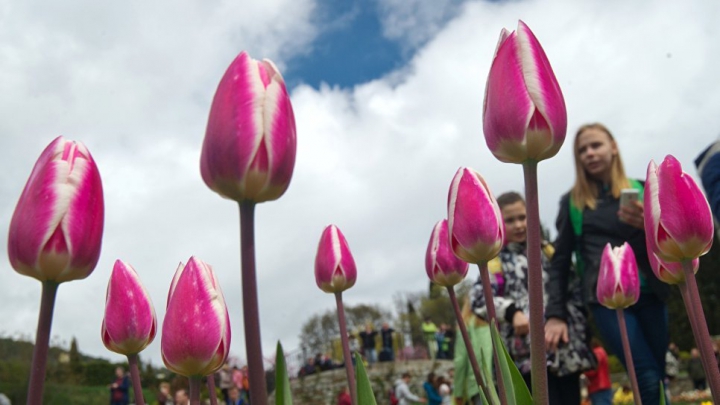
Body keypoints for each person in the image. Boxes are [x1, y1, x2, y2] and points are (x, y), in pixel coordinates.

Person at [546, 123, 671, 405]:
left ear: (613, 147)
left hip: (652, 292)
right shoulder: (573, 203)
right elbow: (561, 261)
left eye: (596, 145)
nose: (589, 153)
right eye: (582, 150)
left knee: (660, 374)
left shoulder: (642, 189)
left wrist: (648, 229)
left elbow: (666, 248)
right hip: (606, 300)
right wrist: (556, 313)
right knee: (646, 376)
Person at [472, 191, 596, 404]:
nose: (519, 225)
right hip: (525, 354)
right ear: (499, 222)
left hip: (564, 350)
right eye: (510, 220)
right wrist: (511, 313)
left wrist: (565, 318)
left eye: (523, 217)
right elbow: (479, 297)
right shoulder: (494, 260)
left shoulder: (549, 252)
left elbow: (573, 289)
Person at [453, 298, 492, 405]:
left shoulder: (466, 324)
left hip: (478, 383)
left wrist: (458, 392)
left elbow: (460, 361)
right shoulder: (496, 322)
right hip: (504, 382)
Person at [584, 339, 612, 405]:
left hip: (599, 386)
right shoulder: (601, 351)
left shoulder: (597, 352)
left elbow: (593, 368)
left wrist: (583, 371)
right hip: (600, 386)